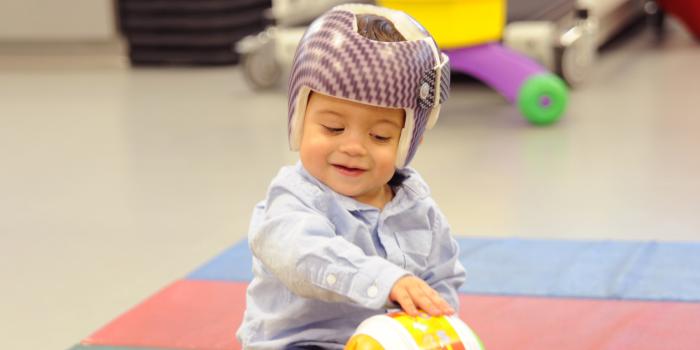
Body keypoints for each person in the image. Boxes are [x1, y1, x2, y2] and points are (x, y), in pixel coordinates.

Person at [236, 4, 465, 349]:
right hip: (300, 343)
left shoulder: (419, 209)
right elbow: (303, 255)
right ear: (299, 118)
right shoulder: (291, 199)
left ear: (408, 141)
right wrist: (386, 281)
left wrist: (432, 323)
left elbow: (441, 279)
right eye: (333, 127)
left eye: (380, 137)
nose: (354, 147)